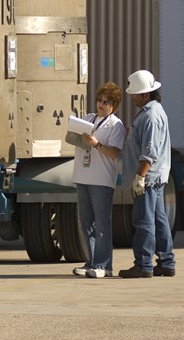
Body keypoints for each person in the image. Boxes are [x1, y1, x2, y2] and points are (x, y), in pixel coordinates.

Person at [118, 69, 176, 278]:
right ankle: (166, 262)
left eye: (135, 94)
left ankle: (143, 265)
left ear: (146, 94)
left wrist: (140, 177)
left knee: (143, 221)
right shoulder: (154, 111)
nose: (132, 98)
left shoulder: (150, 116)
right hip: (155, 177)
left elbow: (149, 152)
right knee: (159, 220)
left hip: (148, 178)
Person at [71, 82, 126, 278]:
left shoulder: (116, 125)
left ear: (114, 105)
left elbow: (115, 153)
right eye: (99, 100)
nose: (101, 104)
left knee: (102, 225)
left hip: (101, 180)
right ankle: (91, 262)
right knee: (86, 224)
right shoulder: (88, 119)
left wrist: (97, 144)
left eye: (106, 102)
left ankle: (104, 266)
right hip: (82, 176)